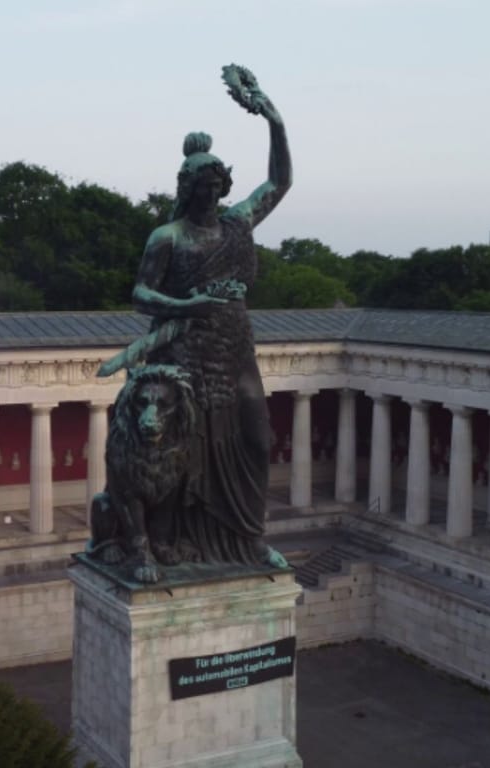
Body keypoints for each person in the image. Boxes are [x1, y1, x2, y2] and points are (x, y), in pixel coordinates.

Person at [127, 73, 292, 572]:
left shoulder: (238, 222)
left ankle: (247, 538)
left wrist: (274, 120)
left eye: (218, 186)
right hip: (185, 355)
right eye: (204, 187)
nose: (212, 195)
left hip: (236, 350)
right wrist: (186, 306)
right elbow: (140, 293)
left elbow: (280, 182)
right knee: (189, 455)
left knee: (257, 440)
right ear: (189, 189)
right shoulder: (167, 236)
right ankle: (178, 543)